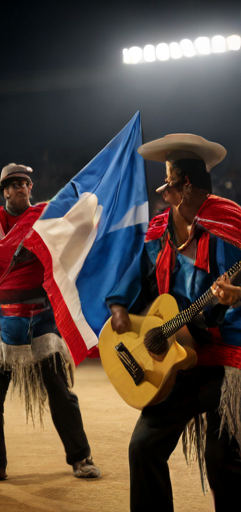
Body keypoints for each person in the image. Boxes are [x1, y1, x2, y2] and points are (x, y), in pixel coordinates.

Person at [106, 134, 241, 512]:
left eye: (168, 186)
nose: (162, 193)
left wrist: (238, 295)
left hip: (227, 362)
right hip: (177, 359)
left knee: (223, 462)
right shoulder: (159, 229)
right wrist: (119, 304)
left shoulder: (230, 223)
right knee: (143, 447)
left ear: (188, 188)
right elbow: (137, 271)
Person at [0, 163, 100, 485]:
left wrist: (39, 245)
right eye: (12, 184)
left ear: (31, 186)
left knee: (59, 391)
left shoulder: (47, 215)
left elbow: (79, 228)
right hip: (5, 319)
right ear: (3, 191)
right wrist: (22, 247)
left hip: (42, 316)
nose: (20, 187)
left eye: (24, 182)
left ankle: (81, 457)